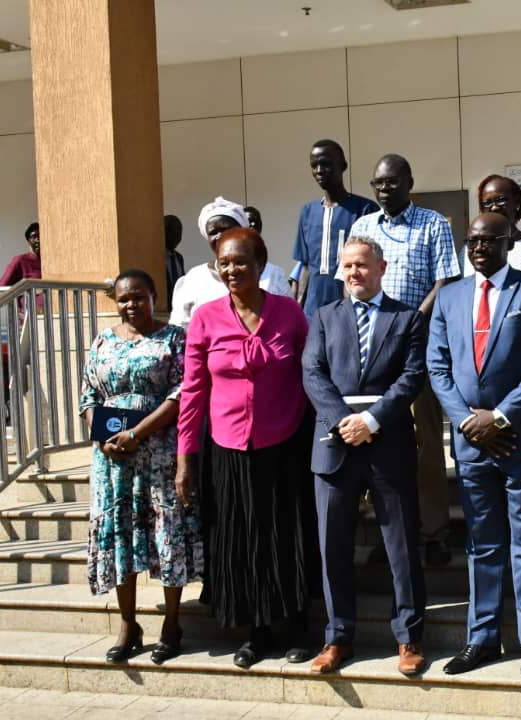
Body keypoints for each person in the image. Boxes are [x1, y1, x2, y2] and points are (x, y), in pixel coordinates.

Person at [428, 212, 521, 682]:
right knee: (482, 545)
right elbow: (438, 367)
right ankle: (482, 637)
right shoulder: (450, 296)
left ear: (509, 241)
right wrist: (468, 422)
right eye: (473, 241)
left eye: (490, 239)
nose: (480, 247)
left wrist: (500, 416)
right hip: (471, 444)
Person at [175, 227, 314, 669]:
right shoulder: (205, 318)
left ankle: (296, 625)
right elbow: (193, 391)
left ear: (260, 264)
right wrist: (185, 458)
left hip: (285, 443)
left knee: (285, 536)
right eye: (224, 262)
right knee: (243, 540)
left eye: (241, 261)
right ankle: (256, 631)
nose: (232, 269)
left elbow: (312, 377)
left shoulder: (290, 313)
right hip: (227, 447)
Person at [301, 238, 429, 677]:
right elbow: (312, 373)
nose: (353, 272)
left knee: (400, 545)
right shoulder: (322, 317)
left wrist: (371, 421)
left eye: (361, 265)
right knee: (332, 544)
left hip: (387, 441)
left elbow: (413, 376)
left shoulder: (407, 318)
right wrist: (343, 420)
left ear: (381, 266)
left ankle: (408, 636)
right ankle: (337, 636)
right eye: (347, 266)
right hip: (334, 445)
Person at [79, 268, 203, 666]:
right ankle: (128, 624)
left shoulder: (173, 339)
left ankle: (171, 623)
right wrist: (102, 438)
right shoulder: (103, 340)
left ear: (154, 296)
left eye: (139, 296)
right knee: (121, 537)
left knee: (165, 534)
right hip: (113, 460)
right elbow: (89, 394)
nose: (131, 304)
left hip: (159, 454)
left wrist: (137, 433)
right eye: (123, 299)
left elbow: (181, 394)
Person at [350, 153, 461, 567]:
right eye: (377, 183)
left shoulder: (433, 224)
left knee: (426, 442)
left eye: (391, 182)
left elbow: (446, 280)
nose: (383, 189)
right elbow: (353, 280)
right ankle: (391, 532)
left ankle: (433, 532)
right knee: (381, 445)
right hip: (374, 350)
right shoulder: (362, 226)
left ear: (409, 182)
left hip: (420, 346)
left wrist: (411, 322)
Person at [169, 197, 292, 328]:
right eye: (213, 232)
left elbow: (290, 319)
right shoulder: (194, 278)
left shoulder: (273, 274)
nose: (220, 236)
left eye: (226, 229)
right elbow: (179, 328)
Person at [292, 140, 379, 317]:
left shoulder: (365, 210)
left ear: (343, 165)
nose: (319, 171)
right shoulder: (308, 212)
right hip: (313, 311)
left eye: (326, 164)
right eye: (314, 165)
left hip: (352, 309)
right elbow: (305, 266)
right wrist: (298, 308)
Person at [468, 174, 521, 280]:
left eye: (501, 200)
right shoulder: (471, 249)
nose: (494, 207)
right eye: (487, 203)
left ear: (517, 202)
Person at [165, 215, 186, 300]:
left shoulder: (179, 257)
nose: (177, 236)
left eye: (179, 232)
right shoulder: (156, 258)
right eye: (173, 232)